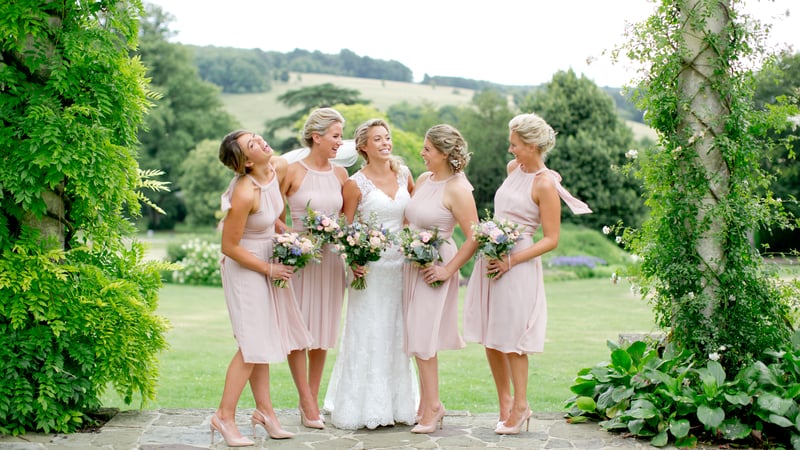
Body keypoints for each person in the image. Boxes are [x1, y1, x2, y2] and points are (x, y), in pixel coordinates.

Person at [463, 113, 591, 435]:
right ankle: (505, 403)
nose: (511, 150)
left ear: (533, 145)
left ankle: (521, 407)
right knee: (490, 336)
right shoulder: (513, 170)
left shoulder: (545, 183)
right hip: (492, 257)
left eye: (515, 144)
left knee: (512, 339)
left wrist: (512, 260)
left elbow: (551, 239)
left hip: (518, 265)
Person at [212, 130, 313, 446]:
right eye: (252, 145)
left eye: (257, 137)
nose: (261, 143)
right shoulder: (244, 192)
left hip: (269, 258)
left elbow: (274, 218)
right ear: (244, 162)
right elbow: (229, 245)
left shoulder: (277, 168)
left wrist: (290, 238)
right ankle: (224, 417)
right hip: (246, 266)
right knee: (252, 342)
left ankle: (265, 412)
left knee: (262, 340)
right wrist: (269, 268)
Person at [323, 118, 419, 430]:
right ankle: (362, 407)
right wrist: (353, 260)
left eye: (387, 137)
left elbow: (414, 216)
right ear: (363, 146)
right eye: (377, 139)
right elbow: (344, 229)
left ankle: (398, 404)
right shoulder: (354, 184)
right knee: (369, 332)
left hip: (401, 268)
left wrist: (416, 245)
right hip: (370, 270)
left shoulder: (404, 174)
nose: (385, 143)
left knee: (396, 332)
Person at [402, 124, 478, 434]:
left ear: (445, 153)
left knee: (423, 335)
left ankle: (433, 406)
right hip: (413, 263)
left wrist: (447, 271)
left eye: (427, 149)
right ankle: (427, 404)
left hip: (437, 264)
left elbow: (474, 236)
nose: (422, 153)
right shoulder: (423, 179)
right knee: (415, 333)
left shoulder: (458, 188)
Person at [280, 108, 348, 429]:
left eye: (341, 135)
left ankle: (313, 397)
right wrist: (292, 237)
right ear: (316, 137)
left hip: (331, 261)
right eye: (335, 135)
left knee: (322, 330)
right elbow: (272, 215)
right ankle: (305, 399)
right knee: (298, 329)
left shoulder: (340, 176)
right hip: (299, 258)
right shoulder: (292, 171)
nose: (340, 141)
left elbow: (346, 221)